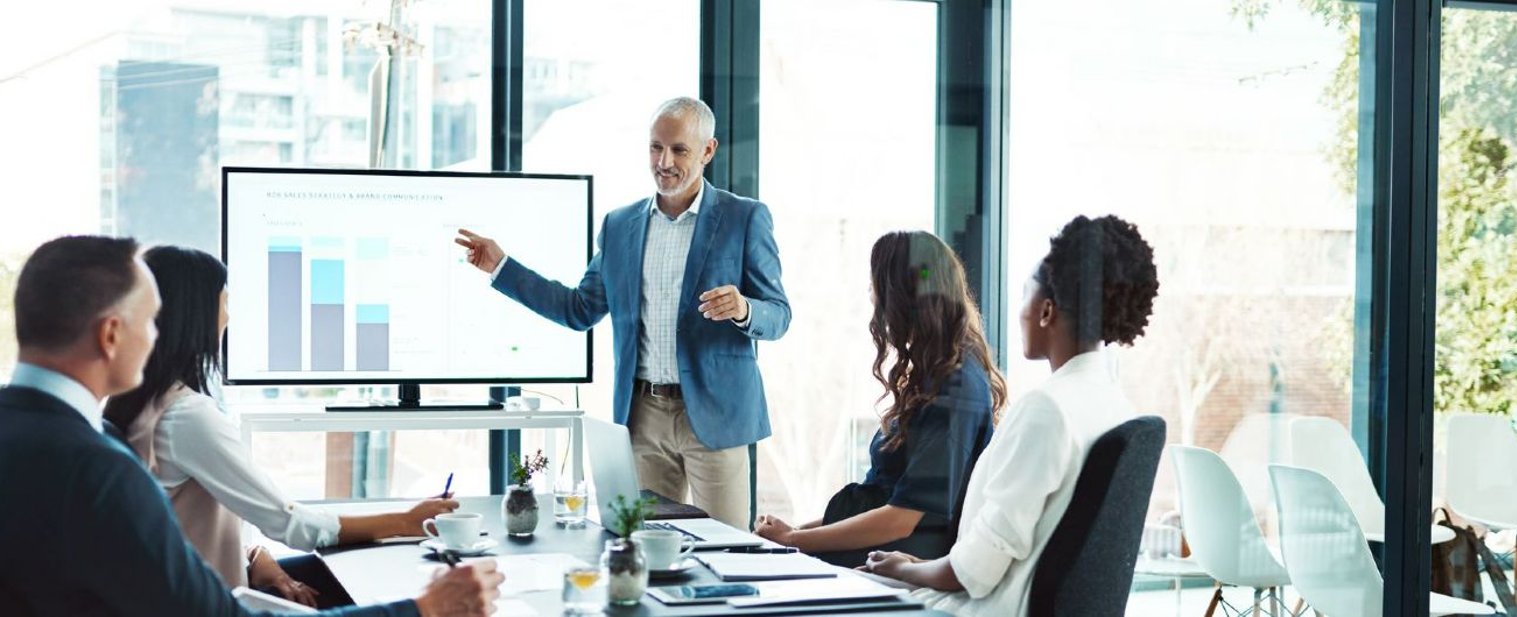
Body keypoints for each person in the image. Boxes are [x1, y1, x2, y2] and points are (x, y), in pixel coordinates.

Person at [0, 235, 502, 616]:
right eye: (149, 321)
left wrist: (254, 560)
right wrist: (421, 611)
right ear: (112, 335)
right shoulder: (100, 469)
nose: (157, 336)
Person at [453, 97, 789, 528]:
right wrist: (502, 266)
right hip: (642, 416)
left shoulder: (745, 218)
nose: (664, 162)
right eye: (655, 147)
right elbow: (579, 309)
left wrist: (744, 309)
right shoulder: (619, 225)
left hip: (716, 416)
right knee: (644, 547)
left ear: (707, 151)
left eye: (679, 150)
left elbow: (778, 314)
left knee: (726, 549)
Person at [101, 246, 459, 609]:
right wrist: (405, 521)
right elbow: (290, 524)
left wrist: (255, 556)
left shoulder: (139, 404)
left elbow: (178, 526)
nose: (228, 317)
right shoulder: (187, 417)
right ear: (198, 315)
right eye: (224, 303)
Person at [860, 215, 1160, 616]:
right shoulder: (1113, 405)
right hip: (1001, 597)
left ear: (1046, 311)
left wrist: (906, 570)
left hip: (979, 607)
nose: (1020, 311)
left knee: (822, 594)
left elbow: (975, 573)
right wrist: (919, 565)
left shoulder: (1048, 410)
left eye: (1025, 295)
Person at [751, 231, 1005, 567]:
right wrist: (793, 533)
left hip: (896, 559)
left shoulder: (956, 388)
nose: (872, 296)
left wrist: (794, 540)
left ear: (901, 297)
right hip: (882, 549)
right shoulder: (935, 374)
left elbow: (901, 518)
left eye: (877, 287)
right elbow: (883, 501)